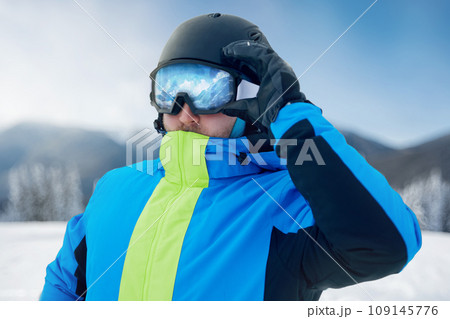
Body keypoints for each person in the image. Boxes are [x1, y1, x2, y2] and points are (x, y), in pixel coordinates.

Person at [40, 13, 422, 301]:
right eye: (170, 91)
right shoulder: (115, 187)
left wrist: (292, 115)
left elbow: (386, 246)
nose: (184, 112)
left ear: (254, 97)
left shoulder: (290, 204)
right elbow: (64, 283)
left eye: (207, 90)